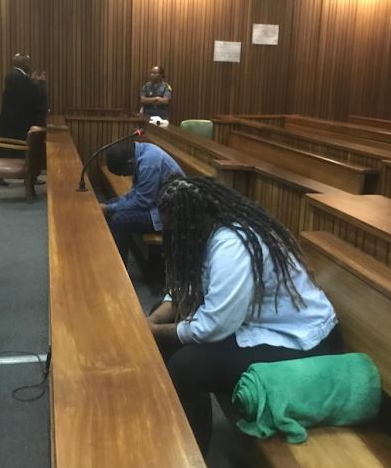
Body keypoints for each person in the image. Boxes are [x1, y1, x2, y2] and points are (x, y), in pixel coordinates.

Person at [147, 177, 342, 454]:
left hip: (304, 340)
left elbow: (213, 326)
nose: (171, 237)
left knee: (185, 366)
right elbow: (187, 288)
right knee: (162, 319)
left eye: (173, 230)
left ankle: (193, 453)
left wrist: (154, 331)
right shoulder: (207, 231)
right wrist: (154, 320)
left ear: (192, 222)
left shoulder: (232, 246)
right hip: (254, 324)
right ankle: (176, 422)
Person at [100, 141, 184, 260]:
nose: (125, 176)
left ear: (129, 163)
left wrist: (110, 209)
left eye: (123, 174)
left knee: (118, 220)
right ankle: (106, 254)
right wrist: (110, 206)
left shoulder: (149, 162)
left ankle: (118, 266)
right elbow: (136, 192)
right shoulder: (141, 153)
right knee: (109, 204)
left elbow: (142, 202)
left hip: (168, 214)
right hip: (155, 203)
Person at [0, 53, 48, 184]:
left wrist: (33, 82)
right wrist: (39, 84)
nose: (30, 65)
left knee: (11, 150)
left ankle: (30, 177)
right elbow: (33, 95)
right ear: (23, 64)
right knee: (13, 150)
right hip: (16, 123)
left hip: (15, 121)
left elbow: (26, 93)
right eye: (28, 62)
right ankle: (26, 177)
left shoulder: (16, 76)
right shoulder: (17, 77)